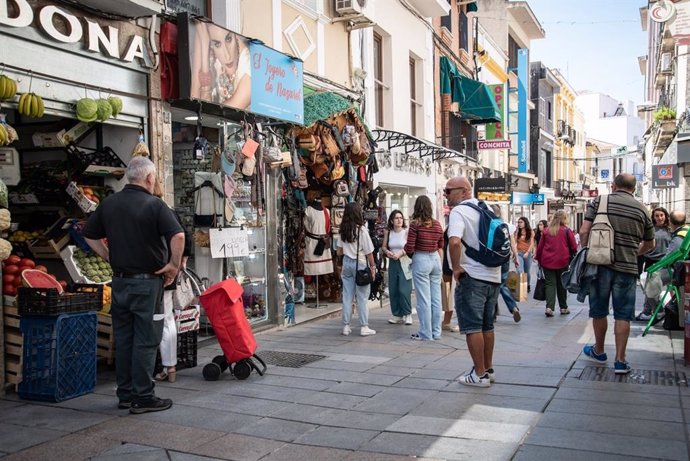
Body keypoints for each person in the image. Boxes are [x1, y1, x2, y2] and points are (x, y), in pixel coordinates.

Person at [82, 156, 184, 414]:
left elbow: (89, 234)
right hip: (147, 284)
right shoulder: (155, 205)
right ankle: (143, 396)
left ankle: (125, 394)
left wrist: (108, 256)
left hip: (120, 282)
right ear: (149, 178)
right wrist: (173, 265)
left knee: (125, 339)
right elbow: (179, 235)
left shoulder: (109, 203)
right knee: (147, 340)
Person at [579, 173, 655, 375]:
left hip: (600, 266)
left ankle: (599, 350)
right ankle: (620, 360)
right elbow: (650, 243)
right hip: (628, 269)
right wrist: (633, 252)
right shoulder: (643, 209)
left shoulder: (600, 201)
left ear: (613, 185)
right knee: (623, 314)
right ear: (634, 188)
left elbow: (584, 230)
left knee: (599, 311)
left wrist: (585, 252)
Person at [447, 176, 501, 387]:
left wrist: (456, 268)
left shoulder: (459, 211)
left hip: (473, 276)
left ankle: (478, 375)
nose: (446, 195)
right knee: (487, 326)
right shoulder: (486, 206)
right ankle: (488, 369)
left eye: (449, 190)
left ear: (464, 191)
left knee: (472, 326)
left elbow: (454, 241)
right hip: (493, 275)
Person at [152, 181, 192, 383]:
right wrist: (180, 262)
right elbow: (187, 238)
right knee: (168, 319)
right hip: (169, 271)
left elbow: (182, 236)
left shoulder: (154, 212)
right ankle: (171, 366)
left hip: (158, 272)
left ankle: (166, 366)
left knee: (161, 318)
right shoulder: (169, 212)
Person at [404, 196, 444, 341]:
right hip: (435, 259)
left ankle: (426, 333)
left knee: (423, 300)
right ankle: (436, 332)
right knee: (436, 299)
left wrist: (410, 255)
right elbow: (441, 244)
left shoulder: (415, 225)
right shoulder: (437, 224)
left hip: (421, 259)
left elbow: (409, 247)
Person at [636, 209, 687, 321]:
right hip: (659, 263)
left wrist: (660, 265)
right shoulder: (684, 231)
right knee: (650, 282)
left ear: (668, 218)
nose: (659, 218)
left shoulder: (677, 234)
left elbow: (670, 255)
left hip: (669, 266)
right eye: (657, 216)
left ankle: (659, 311)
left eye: (662, 215)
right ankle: (648, 311)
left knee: (647, 281)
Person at [336, 202, 377, 336]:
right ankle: (364, 326)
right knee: (362, 297)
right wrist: (373, 267)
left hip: (347, 263)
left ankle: (346, 326)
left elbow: (339, 251)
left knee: (347, 296)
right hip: (360, 264)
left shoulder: (342, 230)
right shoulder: (362, 230)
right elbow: (369, 252)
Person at [190, 22, 251, 109]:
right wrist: (204, 44)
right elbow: (194, 101)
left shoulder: (250, 67)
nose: (227, 56)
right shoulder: (213, 57)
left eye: (229, 39)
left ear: (236, 36)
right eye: (217, 44)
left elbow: (214, 114)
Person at [535, 210, 577, 317]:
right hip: (563, 261)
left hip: (547, 261)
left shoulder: (546, 231)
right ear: (564, 218)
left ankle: (549, 307)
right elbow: (574, 247)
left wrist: (539, 259)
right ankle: (563, 307)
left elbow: (540, 247)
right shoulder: (567, 231)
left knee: (550, 284)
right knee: (562, 284)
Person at [382, 210, 413, 325]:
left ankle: (407, 313)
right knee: (393, 289)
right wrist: (387, 252)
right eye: (396, 218)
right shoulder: (388, 233)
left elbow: (410, 246)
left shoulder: (406, 232)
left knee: (404, 289)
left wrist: (401, 253)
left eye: (401, 218)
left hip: (404, 261)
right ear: (391, 220)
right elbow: (384, 247)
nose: (399, 220)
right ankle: (397, 314)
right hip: (393, 262)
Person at [491, 205, 521, 323]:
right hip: (505, 258)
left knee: (492, 284)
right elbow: (513, 244)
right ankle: (513, 307)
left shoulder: (489, 225)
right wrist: (516, 258)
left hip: (493, 259)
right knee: (502, 284)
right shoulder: (507, 226)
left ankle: (492, 313)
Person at [514, 217, 534, 293]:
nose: (519, 224)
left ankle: (528, 284)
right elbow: (514, 242)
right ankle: (522, 288)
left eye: (521, 222)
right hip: (519, 253)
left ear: (525, 223)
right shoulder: (517, 231)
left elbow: (532, 243)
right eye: (518, 222)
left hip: (527, 254)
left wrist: (528, 252)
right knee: (520, 270)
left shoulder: (530, 231)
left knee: (527, 272)